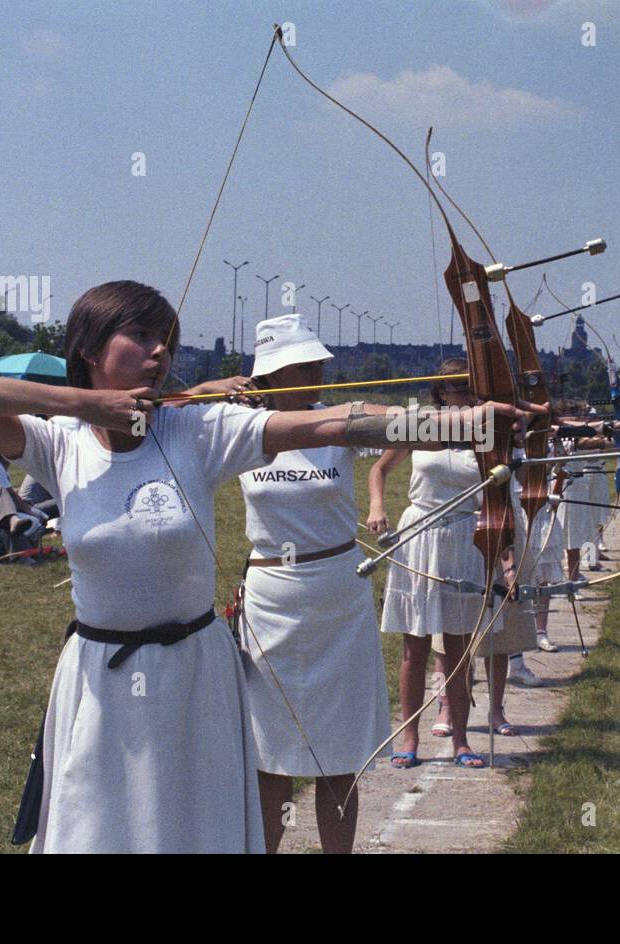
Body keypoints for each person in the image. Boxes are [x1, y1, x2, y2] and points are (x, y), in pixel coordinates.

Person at [0, 280, 534, 853]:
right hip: (98, 677)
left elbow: (334, 422)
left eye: (164, 336)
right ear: (87, 348)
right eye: (139, 335)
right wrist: (87, 404)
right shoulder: (59, 442)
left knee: (194, 824)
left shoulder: (196, 427)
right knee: (97, 824)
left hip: (194, 670)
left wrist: (466, 424)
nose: (159, 349)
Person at [235, 313, 390, 854]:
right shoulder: (238, 426)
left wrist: (479, 418)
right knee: (269, 754)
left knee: (339, 755)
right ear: (270, 375)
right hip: (271, 598)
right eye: (300, 366)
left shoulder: (341, 421)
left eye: (315, 364)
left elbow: (407, 423)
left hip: (337, 594)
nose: (314, 375)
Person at [367, 358, 521, 770]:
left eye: (473, 389)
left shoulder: (484, 433)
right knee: (414, 645)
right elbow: (378, 470)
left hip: (465, 540)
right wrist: (377, 505)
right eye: (458, 389)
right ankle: (410, 735)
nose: (467, 396)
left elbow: (497, 501)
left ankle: (461, 740)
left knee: (458, 648)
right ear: (440, 391)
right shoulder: (419, 423)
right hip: (420, 533)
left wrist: (507, 560)